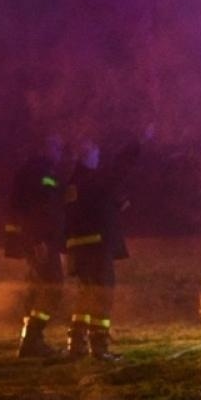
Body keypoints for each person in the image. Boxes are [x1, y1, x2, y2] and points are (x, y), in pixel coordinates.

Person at [63, 133, 145, 361]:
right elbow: (117, 173)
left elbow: (96, 202)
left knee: (86, 296)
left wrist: (115, 203)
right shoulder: (91, 178)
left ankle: (76, 343)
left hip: (79, 249)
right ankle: (99, 347)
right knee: (102, 295)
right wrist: (137, 144)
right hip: (96, 247)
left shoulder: (73, 183)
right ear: (88, 155)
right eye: (97, 153)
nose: (99, 157)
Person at [5, 135, 67, 357]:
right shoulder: (39, 173)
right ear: (46, 147)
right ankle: (32, 337)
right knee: (53, 287)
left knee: (37, 288)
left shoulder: (35, 171)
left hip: (37, 240)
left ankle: (30, 340)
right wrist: (40, 239)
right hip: (41, 241)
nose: (60, 151)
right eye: (57, 146)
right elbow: (39, 209)